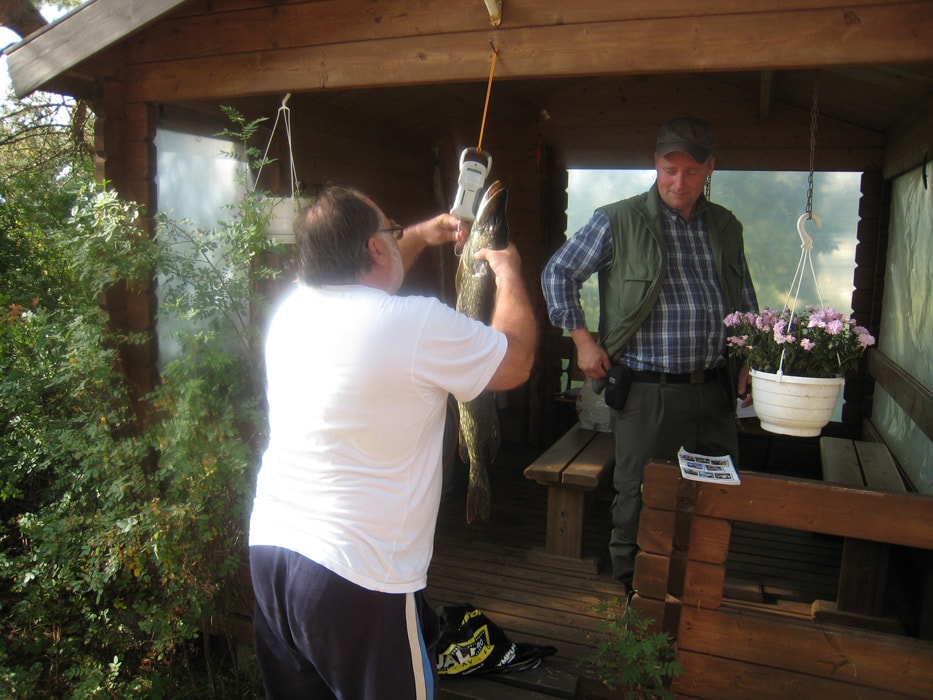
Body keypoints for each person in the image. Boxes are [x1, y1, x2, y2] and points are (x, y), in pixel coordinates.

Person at [249, 185, 537, 699]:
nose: (400, 238)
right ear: (375, 250)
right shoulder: (414, 323)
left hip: (272, 556)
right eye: (393, 231)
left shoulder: (291, 310)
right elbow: (514, 361)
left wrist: (424, 235)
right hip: (359, 578)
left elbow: (364, 277)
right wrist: (510, 273)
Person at [541, 117, 758, 591]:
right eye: (669, 170)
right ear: (655, 165)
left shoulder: (725, 227)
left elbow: (745, 302)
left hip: (715, 390)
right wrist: (582, 340)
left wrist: (745, 361)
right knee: (638, 493)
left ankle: (701, 583)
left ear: (710, 169)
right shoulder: (617, 219)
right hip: (646, 392)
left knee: (716, 490)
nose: (679, 182)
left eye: (692, 172)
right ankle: (633, 588)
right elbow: (559, 273)